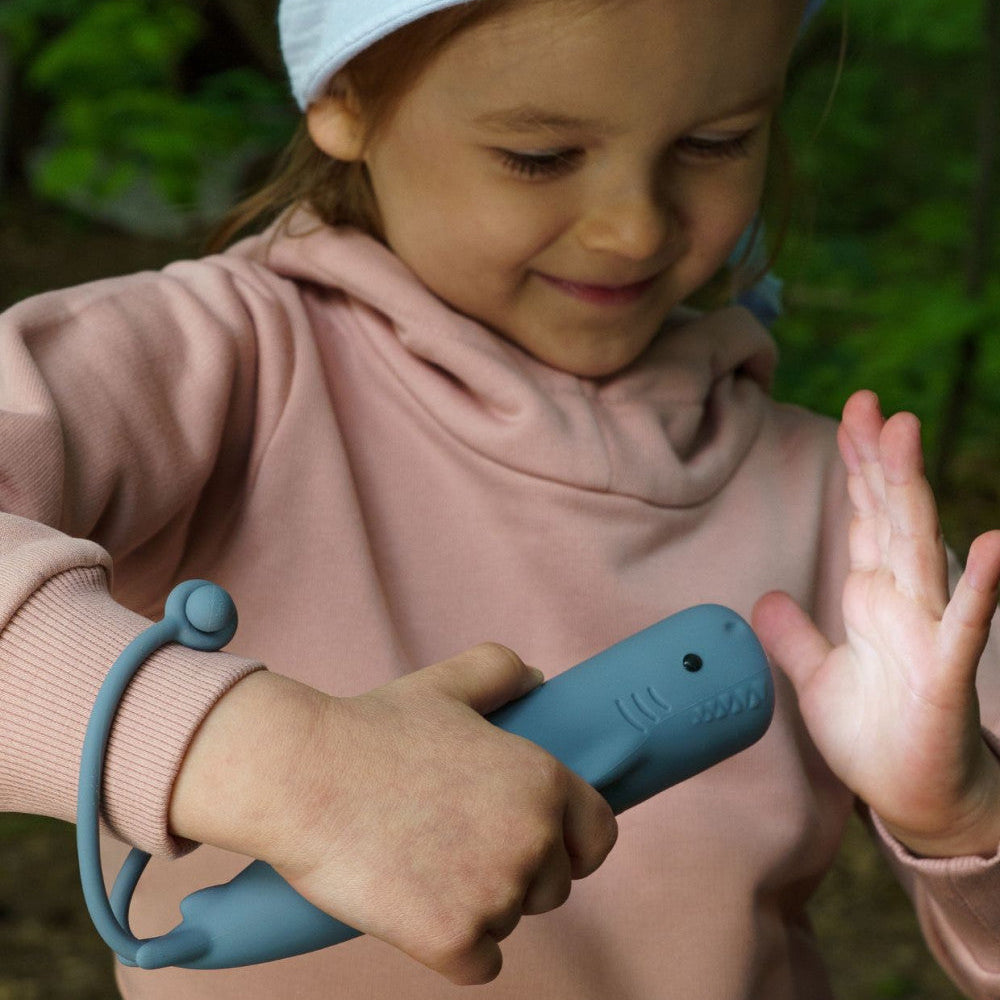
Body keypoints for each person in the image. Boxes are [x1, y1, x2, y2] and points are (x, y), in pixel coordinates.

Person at [2, 0, 999, 997]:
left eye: (716, 142)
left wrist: (963, 818)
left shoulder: (851, 518)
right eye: (539, 156)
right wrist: (290, 767)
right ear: (347, 99)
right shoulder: (210, 368)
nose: (632, 229)